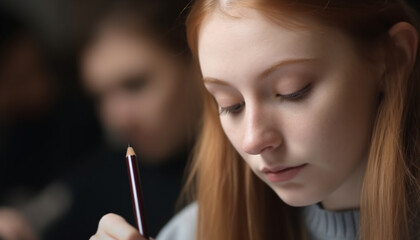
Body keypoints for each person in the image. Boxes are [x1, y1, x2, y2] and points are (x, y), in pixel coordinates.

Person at [91, 0, 420, 239]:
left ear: (394, 58)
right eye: (231, 105)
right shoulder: (194, 234)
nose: (253, 140)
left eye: (293, 91)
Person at [45, 0, 203, 239]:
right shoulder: (94, 187)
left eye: (135, 84)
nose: (116, 118)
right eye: (99, 97)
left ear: (195, 64)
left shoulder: (261, 164)